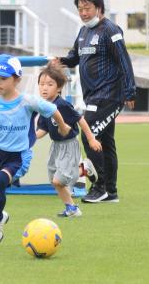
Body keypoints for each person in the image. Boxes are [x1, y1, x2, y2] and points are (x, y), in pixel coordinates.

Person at [0, 54, 72, 245]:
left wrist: (62, 127)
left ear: (17, 79)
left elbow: (53, 110)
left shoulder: (27, 101)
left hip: (19, 157)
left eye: (3, 78)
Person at [56, 0, 136, 203]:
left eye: (87, 8)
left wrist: (130, 90)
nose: (83, 13)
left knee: (89, 132)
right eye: (80, 9)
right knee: (106, 142)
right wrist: (60, 61)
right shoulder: (83, 33)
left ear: (98, 8)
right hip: (93, 97)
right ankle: (111, 192)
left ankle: (98, 186)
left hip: (111, 95)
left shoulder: (110, 30)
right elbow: (74, 58)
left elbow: (124, 59)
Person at [36, 63, 102, 217]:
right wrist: (29, 140)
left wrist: (91, 139)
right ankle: (71, 209)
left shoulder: (62, 105)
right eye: (41, 84)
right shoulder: (43, 106)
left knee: (61, 180)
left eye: (49, 84)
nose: (44, 88)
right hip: (56, 146)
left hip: (69, 145)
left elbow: (81, 120)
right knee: (54, 180)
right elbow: (42, 129)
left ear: (59, 88)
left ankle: (84, 168)